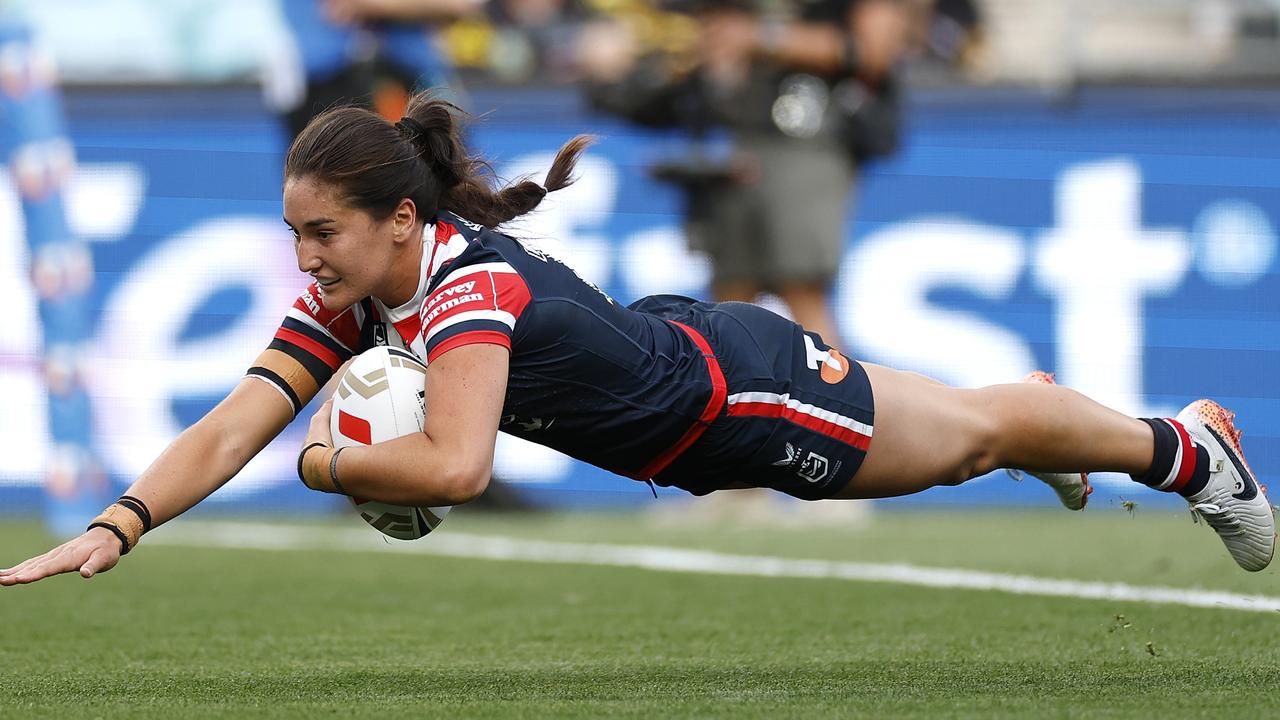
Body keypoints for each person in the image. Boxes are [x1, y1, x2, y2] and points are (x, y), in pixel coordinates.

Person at [1, 94, 1273, 588]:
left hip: (745, 408)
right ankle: (1048, 422)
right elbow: (235, 419)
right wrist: (118, 525)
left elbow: (448, 469)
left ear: (401, 218)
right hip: (683, 371)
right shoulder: (361, 293)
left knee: (972, 438)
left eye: (320, 232)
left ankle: (1185, 448)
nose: (304, 260)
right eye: (291, 235)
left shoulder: (462, 297)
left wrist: (328, 465)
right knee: (977, 428)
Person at [582, 0, 910, 348]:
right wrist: (621, 59)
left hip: (805, 150)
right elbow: (682, 51)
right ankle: (737, 401)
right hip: (731, 153)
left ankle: (838, 400)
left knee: (801, 288)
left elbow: (876, 51)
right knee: (728, 303)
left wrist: (759, 36)